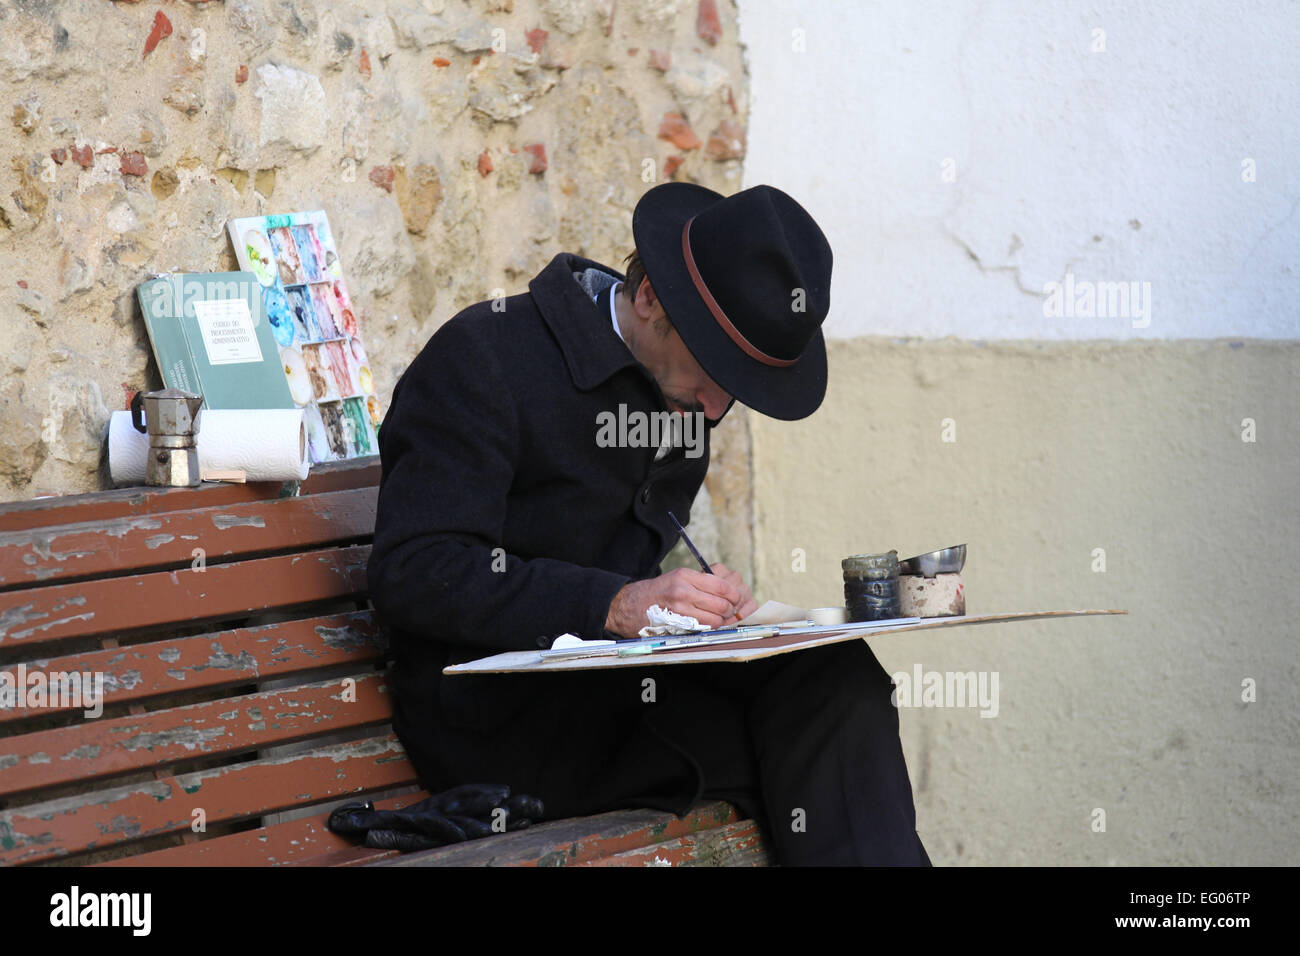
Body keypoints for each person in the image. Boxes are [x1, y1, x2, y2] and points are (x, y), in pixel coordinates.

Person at [367, 182, 931, 865]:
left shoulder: (684, 396)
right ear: (649, 299)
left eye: (741, 385)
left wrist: (700, 614)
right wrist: (616, 603)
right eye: (717, 369)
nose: (718, 408)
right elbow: (414, 570)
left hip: (615, 687)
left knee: (837, 678)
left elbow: (633, 570)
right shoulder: (484, 356)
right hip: (495, 716)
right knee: (818, 758)